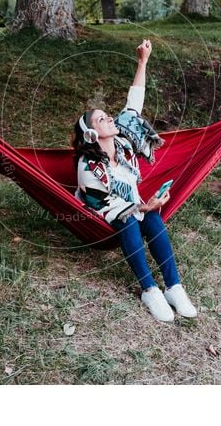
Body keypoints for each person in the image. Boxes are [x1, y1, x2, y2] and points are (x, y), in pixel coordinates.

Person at [72, 39, 197, 323]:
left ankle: (174, 287)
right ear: (91, 134)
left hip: (131, 207)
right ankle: (150, 290)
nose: (110, 119)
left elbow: (133, 106)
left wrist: (142, 62)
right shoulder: (87, 165)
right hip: (102, 215)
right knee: (131, 218)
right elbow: (99, 202)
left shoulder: (123, 143)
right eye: (102, 119)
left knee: (152, 218)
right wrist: (140, 207)